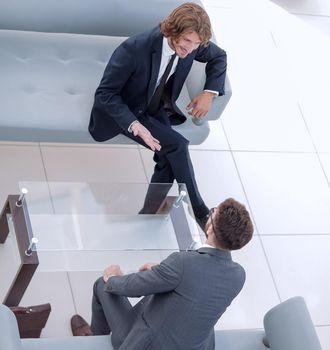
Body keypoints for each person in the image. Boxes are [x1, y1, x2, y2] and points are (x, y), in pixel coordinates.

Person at [88, 2, 227, 228]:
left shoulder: (193, 45)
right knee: (178, 146)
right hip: (129, 110)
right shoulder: (134, 48)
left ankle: (147, 215)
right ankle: (200, 211)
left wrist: (209, 93)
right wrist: (134, 124)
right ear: (171, 30)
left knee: (167, 159)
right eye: (188, 41)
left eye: (197, 44)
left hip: (156, 105)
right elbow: (105, 94)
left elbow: (219, 56)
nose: (191, 49)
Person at [71, 198, 254, 350]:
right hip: (190, 343)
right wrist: (164, 273)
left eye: (213, 212)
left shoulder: (183, 263)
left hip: (144, 343)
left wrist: (112, 278)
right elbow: (197, 285)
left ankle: (93, 339)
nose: (210, 212)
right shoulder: (238, 276)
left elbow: (133, 288)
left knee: (102, 285)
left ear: (210, 229)